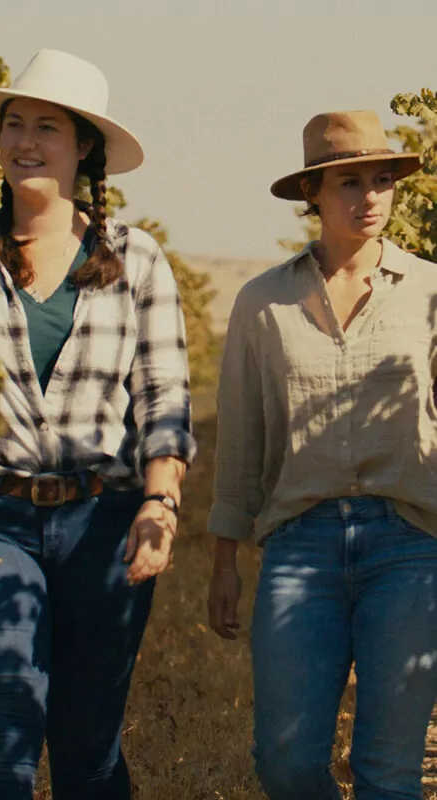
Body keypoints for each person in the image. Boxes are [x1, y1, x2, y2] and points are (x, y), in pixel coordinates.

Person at [0, 48, 196, 799]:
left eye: (45, 127)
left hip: (104, 523)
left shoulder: (137, 261)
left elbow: (164, 394)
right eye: (13, 124)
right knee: (0, 741)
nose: (24, 141)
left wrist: (161, 502)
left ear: (83, 146)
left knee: (87, 751)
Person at [207, 109, 437, 800]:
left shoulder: (431, 292)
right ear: (314, 194)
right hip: (298, 546)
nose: (369, 196)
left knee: (389, 772)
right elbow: (242, 434)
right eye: (348, 182)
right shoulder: (262, 302)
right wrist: (224, 558)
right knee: (285, 762)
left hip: (411, 544)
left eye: (382, 180)